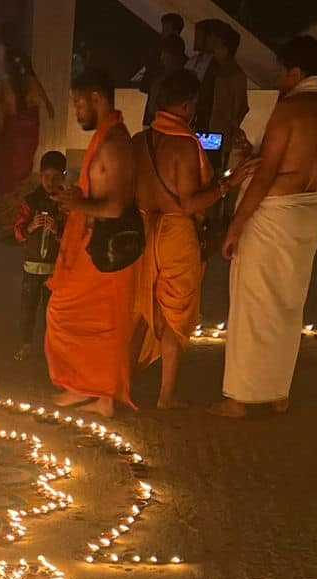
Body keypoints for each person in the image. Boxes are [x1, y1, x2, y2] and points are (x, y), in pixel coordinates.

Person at [218, 36, 317, 417]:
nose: (280, 81)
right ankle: (277, 392)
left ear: (294, 71)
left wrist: (235, 226)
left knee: (254, 300)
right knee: (290, 300)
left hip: (274, 209)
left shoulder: (290, 111)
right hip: (310, 208)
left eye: (282, 73)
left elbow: (265, 176)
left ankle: (239, 398)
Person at [133, 71, 232, 409]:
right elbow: (190, 202)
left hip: (144, 230)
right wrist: (224, 187)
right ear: (189, 106)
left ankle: (123, 381)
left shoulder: (138, 140)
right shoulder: (186, 145)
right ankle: (165, 397)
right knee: (174, 314)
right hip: (176, 233)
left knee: (144, 307)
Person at [45, 68, 138, 417]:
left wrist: (77, 204)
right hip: (90, 243)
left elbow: (115, 206)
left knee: (74, 315)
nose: (77, 111)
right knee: (91, 319)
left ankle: (100, 393)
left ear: (97, 98)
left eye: (78, 103)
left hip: (103, 248)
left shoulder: (114, 144)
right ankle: (92, 391)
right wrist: (78, 197)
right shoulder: (107, 137)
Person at [0, 50, 54, 230]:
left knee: (9, 176)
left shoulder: (7, 85)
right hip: (26, 136)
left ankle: (11, 220)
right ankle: (16, 220)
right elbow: (47, 106)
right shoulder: (30, 84)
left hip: (15, 136)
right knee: (19, 175)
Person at [11, 150, 66, 360]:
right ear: (39, 175)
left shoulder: (65, 204)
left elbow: (73, 236)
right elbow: (18, 232)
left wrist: (58, 231)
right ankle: (25, 344)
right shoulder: (30, 201)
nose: (51, 182)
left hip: (54, 270)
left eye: (56, 177)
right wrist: (31, 226)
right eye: (46, 177)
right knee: (28, 308)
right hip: (32, 267)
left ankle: (52, 348)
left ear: (64, 176)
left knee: (52, 313)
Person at [197, 23, 249, 180]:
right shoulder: (214, 68)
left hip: (216, 133)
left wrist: (231, 126)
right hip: (206, 129)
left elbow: (241, 106)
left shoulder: (233, 73)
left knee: (211, 173)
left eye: (214, 39)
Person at [138, 35, 188, 129]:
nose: (162, 58)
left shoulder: (161, 80)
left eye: (165, 54)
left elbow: (152, 108)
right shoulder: (159, 79)